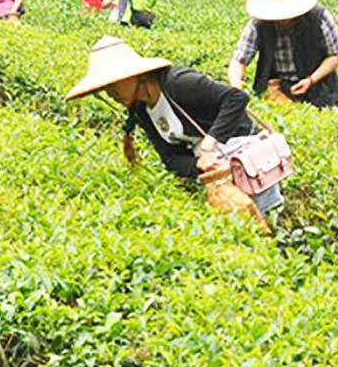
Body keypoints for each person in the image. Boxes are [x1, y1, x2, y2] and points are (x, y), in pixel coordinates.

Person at [63, 35, 284, 226]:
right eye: (106, 89)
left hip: (245, 157)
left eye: (114, 85)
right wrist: (205, 170)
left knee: (266, 219)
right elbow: (170, 157)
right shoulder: (142, 109)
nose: (111, 93)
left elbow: (236, 98)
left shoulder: (179, 83)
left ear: (135, 75)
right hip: (214, 165)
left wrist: (209, 144)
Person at [228, 0, 338, 108]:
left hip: (319, 87)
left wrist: (311, 80)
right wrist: (236, 89)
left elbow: (335, 54)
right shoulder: (258, 24)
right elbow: (238, 60)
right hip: (277, 87)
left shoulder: (319, 18)